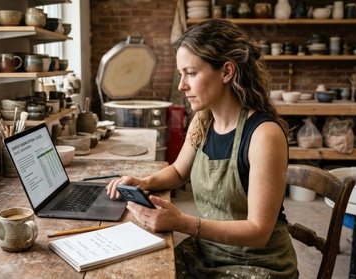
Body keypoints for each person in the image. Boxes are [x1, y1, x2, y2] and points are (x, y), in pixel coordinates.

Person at [106, 19, 297, 278]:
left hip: (258, 264)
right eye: (181, 74)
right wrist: (143, 182)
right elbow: (178, 172)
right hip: (208, 252)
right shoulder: (204, 119)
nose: (181, 85)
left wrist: (183, 223)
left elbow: (259, 231)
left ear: (226, 72)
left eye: (191, 73)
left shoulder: (264, 135)